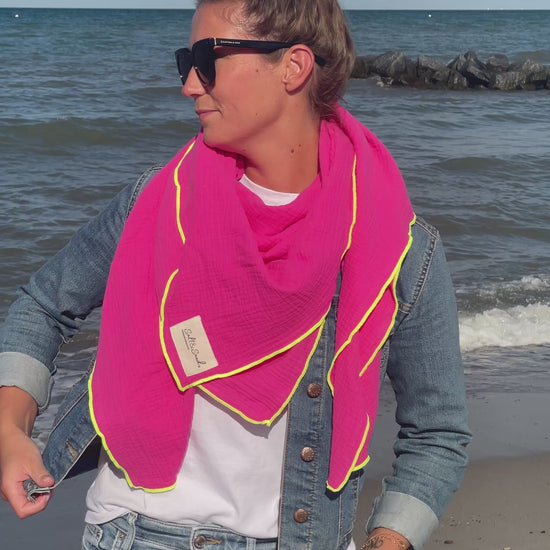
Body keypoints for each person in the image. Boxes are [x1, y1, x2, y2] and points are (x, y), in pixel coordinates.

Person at [0, 0, 471, 549]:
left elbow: (437, 432)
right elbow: (44, 304)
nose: (189, 86)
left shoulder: (398, 246)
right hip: (135, 532)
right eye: (186, 63)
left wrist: (387, 542)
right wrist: (10, 429)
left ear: (293, 66)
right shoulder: (158, 201)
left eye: (207, 59)